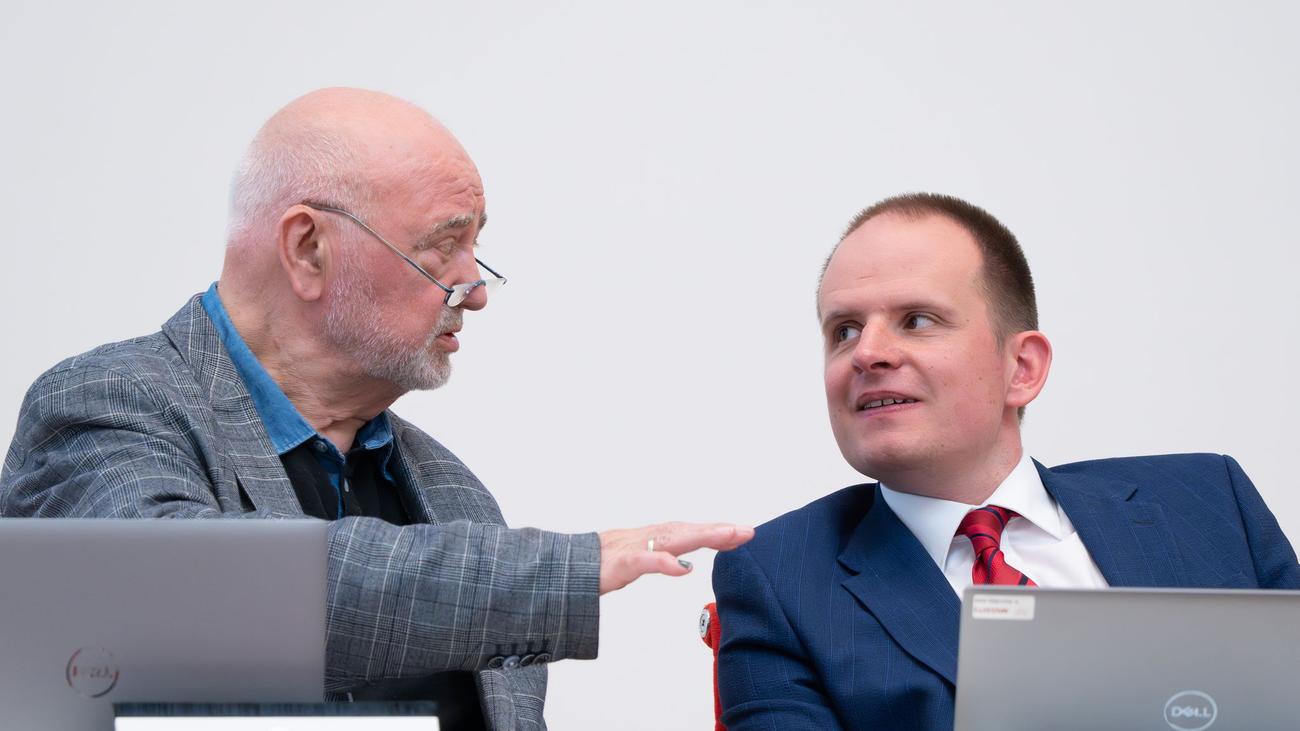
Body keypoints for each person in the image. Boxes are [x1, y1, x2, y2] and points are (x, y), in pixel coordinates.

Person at [0, 88, 752, 730]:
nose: (475, 291)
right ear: (308, 249)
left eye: (477, 248)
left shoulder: (455, 493)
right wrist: (570, 567)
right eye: (442, 248)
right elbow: (207, 596)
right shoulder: (104, 407)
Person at [710, 192, 1300, 730]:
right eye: (844, 330)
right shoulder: (780, 580)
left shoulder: (1208, 499)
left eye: (917, 320)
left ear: (1022, 369)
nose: (867, 353)